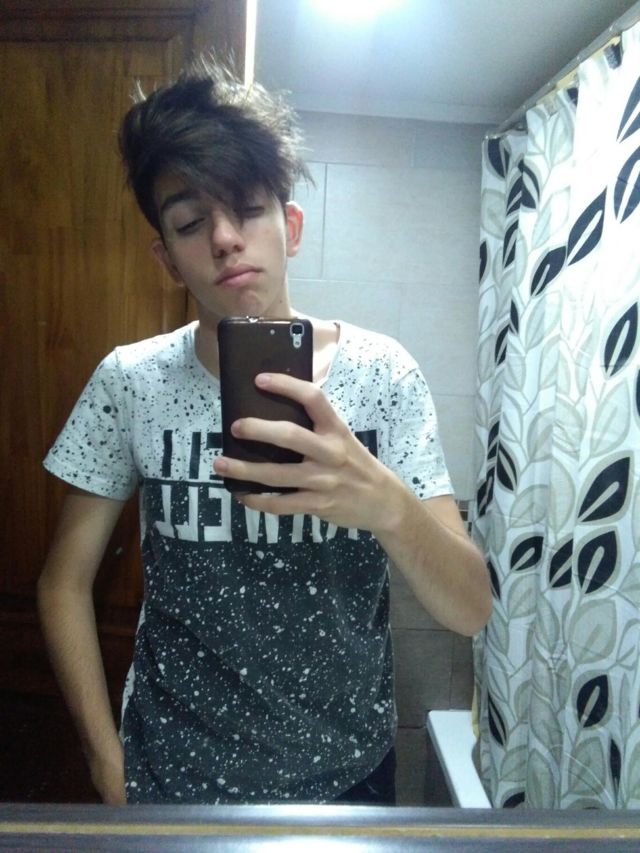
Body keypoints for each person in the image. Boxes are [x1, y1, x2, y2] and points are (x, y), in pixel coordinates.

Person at [37, 57, 492, 806]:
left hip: (346, 779)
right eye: (191, 223)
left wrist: (385, 504)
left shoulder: (384, 374)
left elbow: (470, 608)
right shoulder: (129, 380)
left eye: (247, 209)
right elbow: (63, 583)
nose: (224, 238)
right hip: (168, 777)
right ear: (166, 257)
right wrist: (103, 759)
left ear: (291, 226)